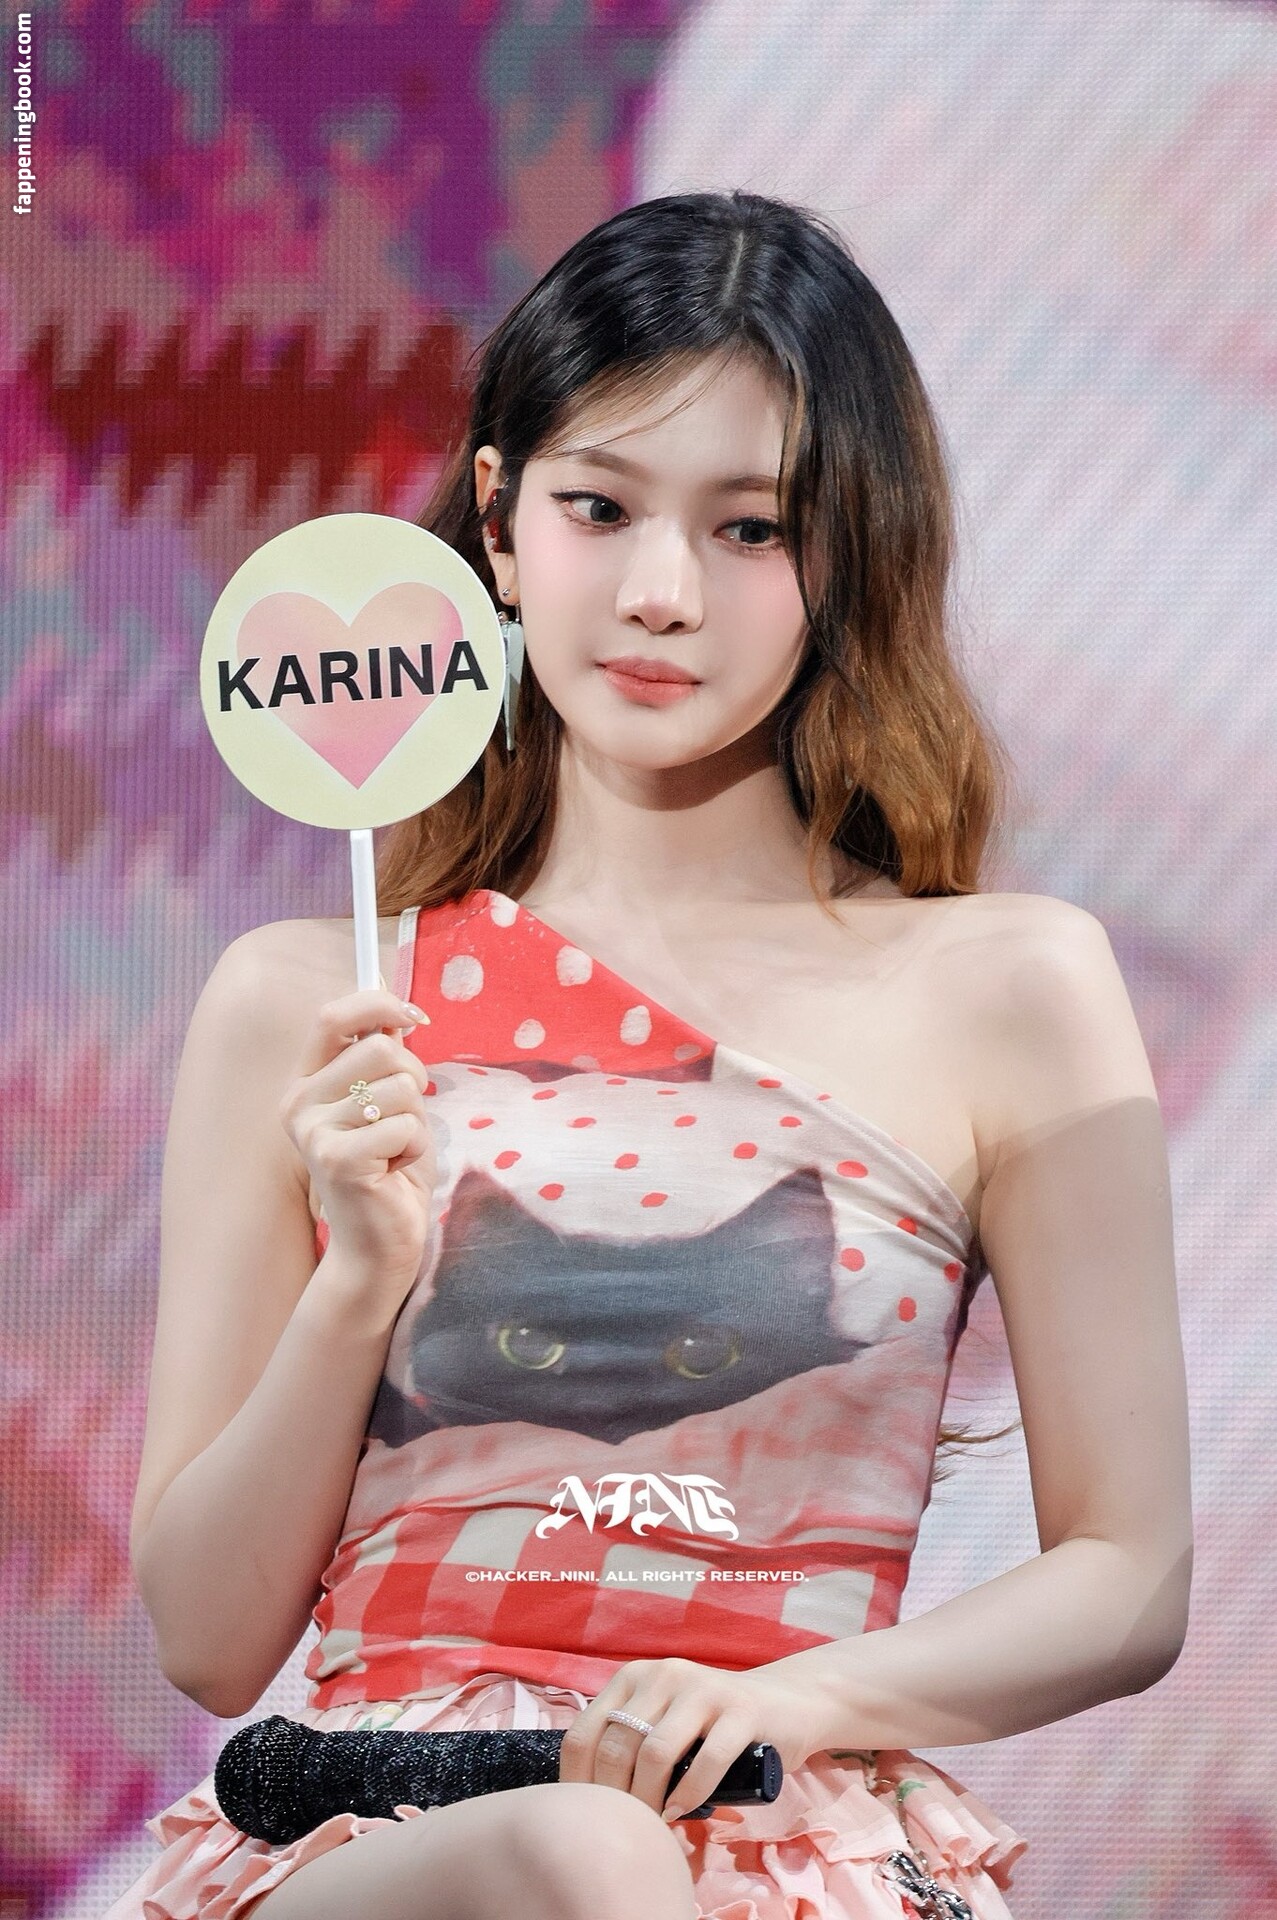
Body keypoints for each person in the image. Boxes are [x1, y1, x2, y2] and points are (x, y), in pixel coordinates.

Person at [105, 190, 1191, 1920]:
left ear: (847, 553)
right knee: (582, 1848)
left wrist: (785, 1705)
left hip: (793, 1821)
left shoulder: (1010, 987)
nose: (661, 594)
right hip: (386, 1839)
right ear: (496, 521)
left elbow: (1128, 1572)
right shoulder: (311, 999)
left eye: (750, 528)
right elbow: (207, 1636)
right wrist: (355, 1284)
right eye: (598, 508)